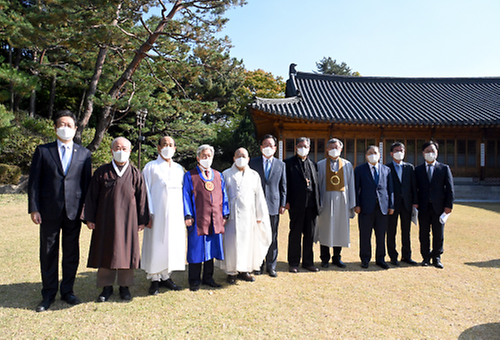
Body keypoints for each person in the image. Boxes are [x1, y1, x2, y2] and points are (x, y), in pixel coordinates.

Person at [28, 110, 92, 312]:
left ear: (75, 129)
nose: (65, 128)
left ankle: (68, 291)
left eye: (69, 125)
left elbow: (87, 185)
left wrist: (85, 211)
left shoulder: (84, 154)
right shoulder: (43, 151)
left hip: (73, 211)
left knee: (71, 253)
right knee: (48, 253)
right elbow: (34, 183)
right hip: (48, 211)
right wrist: (34, 208)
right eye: (61, 125)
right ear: (55, 128)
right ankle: (48, 294)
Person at [82, 137, 149, 302]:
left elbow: (142, 198)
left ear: (129, 151)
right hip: (105, 219)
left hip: (129, 220)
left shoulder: (135, 173)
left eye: (124, 148)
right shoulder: (102, 172)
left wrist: (142, 219)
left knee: (127, 252)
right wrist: (89, 217)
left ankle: (125, 287)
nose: (121, 151)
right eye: (117, 148)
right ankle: (106, 287)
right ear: (112, 151)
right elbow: (91, 196)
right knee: (106, 251)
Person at [220, 148, 272, 284]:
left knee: (247, 242)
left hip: (249, 215)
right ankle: (231, 272)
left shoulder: (254, 175)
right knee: (231, 243)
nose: (241, 158)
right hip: (231, 215)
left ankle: (244, 270)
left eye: (244, 156)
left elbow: (259, 196)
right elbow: (222, 196)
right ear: (233, 158)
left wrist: (259, 214)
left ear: (248, 159)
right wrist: (223, 214)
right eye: (238, 155)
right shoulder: (226, 174)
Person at [141, 136, 185, 295]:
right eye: (164, 144)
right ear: (158, 148)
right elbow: (145, 192)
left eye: (171, 145)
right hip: (156, 214)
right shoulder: (150, 167)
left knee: (171, 245)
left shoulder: (179, 169)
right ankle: (154, 279)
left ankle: (166, 276)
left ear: (175, 148)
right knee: (156, 244)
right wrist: (149, 214)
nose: (167, 147)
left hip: (175, 215)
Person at [183, 144, 229, 291]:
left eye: (209, 156)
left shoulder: (218, 175)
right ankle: (194, 280)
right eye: (204, 156)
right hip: (198, 218)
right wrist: (188, 214)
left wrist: (225, 213)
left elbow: (224, 195)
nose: (206, 158)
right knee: (196, 248)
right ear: (198, 157)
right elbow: (185, 196)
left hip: (214, 218)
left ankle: (208, 277)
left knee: (211, 248)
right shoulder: (190, 175)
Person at [249, 134, 287, 277]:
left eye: (271, 145)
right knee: (257, 235)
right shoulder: (253, 163)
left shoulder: (281, 165)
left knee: (272, 236)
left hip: (274, 205)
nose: (268, 148)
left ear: (275, 148)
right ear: (261, 147)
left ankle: (271, 265)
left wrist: (283, 203)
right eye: (265, 145)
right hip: (256, 205)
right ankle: (258, 264)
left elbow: (284, 186)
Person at [315, 138, 355, 269]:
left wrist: (352, 204)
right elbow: (318, 185)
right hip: (325, 202)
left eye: (336, 147)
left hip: (342, 202)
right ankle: (324, 258)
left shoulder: (347, 165)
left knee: (339, 229)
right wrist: (318, 202)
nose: (334, 150)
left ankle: (337, 257)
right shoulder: (320, 165)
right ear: (327, 149)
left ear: (341, 149)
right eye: (331, 147)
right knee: (325, 229)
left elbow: (351, 185)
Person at [414, 141, 454, 269]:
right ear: (423, 153)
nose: (430, 153)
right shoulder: (418, 169)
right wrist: (415, 203)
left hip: (439, 207)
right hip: (423, 206)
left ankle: (437, 257)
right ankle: (425, 257)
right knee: (423, 233)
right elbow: (415, 189)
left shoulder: (444, 168)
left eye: (433, 151)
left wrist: (449, 206)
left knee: (438, 233)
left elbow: (450, 188)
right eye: (427, 151)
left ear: (437, 153)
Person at [354, 145, 394, 269]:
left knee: (381, 235)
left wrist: (391, 205)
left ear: (379, 155)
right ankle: (365, 258)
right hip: (365, 207)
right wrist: (357, 204)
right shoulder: (359, 170)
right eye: (370, 153)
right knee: (365, 235)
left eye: (375, 152)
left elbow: (390, 189)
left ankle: (381, 259)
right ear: (366, 156)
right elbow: (355, 189)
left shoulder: (386, 170)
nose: (373, 155)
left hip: (382, 207)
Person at [284, 137, 320, 273]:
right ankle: (293, 262)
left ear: (309, 148)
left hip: (311, 204)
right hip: (296, 204)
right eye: (299, 146)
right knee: (295, 233)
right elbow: (285, 184)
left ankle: (308, 262)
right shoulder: (288, 163)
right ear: (295, 148)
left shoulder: (313, 164)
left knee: (309, 235)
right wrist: (286, 201)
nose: (302, 148)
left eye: (305, 146)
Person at [386, 142, 419, 266]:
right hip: (393, 205)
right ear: (391, 153)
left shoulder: (409, 168)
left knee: (406, 231)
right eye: (396, 150)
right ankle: (393, 256)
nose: (399, 152)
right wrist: (389, 204)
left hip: (407, 204)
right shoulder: (387, 168)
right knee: (391, 231)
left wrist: (415, 202)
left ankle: (406, 256)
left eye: (401, 150)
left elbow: (414, 187)